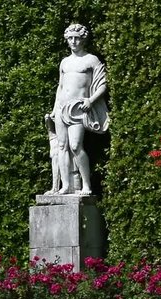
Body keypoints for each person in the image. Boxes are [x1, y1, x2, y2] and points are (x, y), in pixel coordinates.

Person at [45, 23, 109, 195]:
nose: (74, 42)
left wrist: (91, 100)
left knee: (75, 146)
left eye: (77, 38)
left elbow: (102, 85)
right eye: (70, 38)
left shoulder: (91, 60)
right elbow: (60, 86)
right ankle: (66, 186)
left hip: (78, 108)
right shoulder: (65, 62)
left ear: (83, 39)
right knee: (62, 146)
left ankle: (86, 185)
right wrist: (54, 109)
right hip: (61, 108)